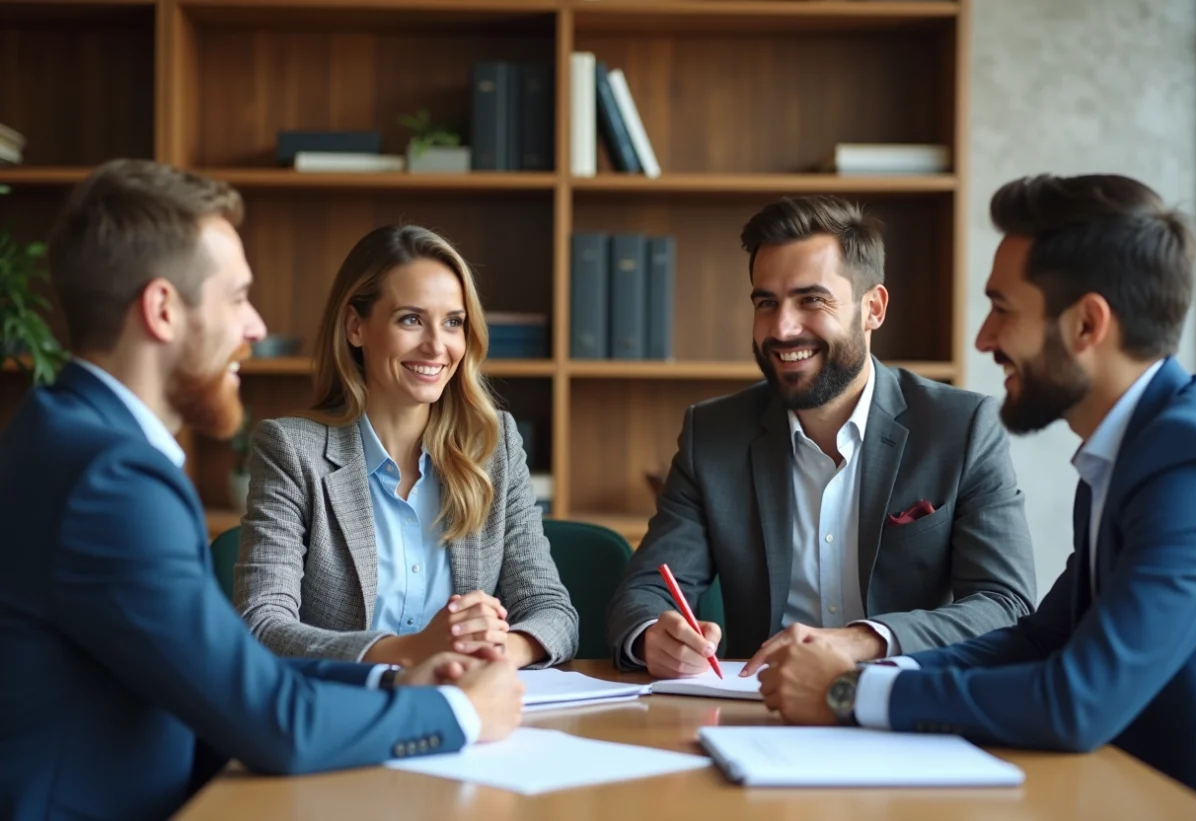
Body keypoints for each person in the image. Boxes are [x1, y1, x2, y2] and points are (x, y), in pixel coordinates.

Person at [0, 160, 524, 821]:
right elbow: (274, 721)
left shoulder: (65, 435)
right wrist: (459, 711)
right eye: (237, 297)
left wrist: (390, 679)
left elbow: (228, 675)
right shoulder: (111, 479)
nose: (255, 325)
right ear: (162, 309)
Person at [754, 173, 1196, 794]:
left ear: (1085, 326)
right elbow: (1041, 640)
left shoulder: (1185, 466)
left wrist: (848, 691)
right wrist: (861, 665)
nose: (984, 338)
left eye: (1003, 308)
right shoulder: (1128, 454)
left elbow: (1079, 701)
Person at [605, 193, 1037, 679]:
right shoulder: (714, 434)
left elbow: (1006, 604)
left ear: (873, 308)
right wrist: (652, 637)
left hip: (905, 708)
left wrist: (863, 640)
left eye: (811, 299)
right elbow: (645, 592)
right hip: (760, 710)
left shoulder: (961, 428)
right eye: (767, 303)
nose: (783, 328)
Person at [234, 223, 579, 671]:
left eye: (453, 322)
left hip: (469, 709)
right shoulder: (291, 450)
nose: (437, 346)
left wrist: (493, 650)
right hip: (346, 714)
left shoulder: (494, 448)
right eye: (411, 319)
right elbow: (261, 624)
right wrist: (410, 653)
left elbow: (552, 611)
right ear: (356, 327)